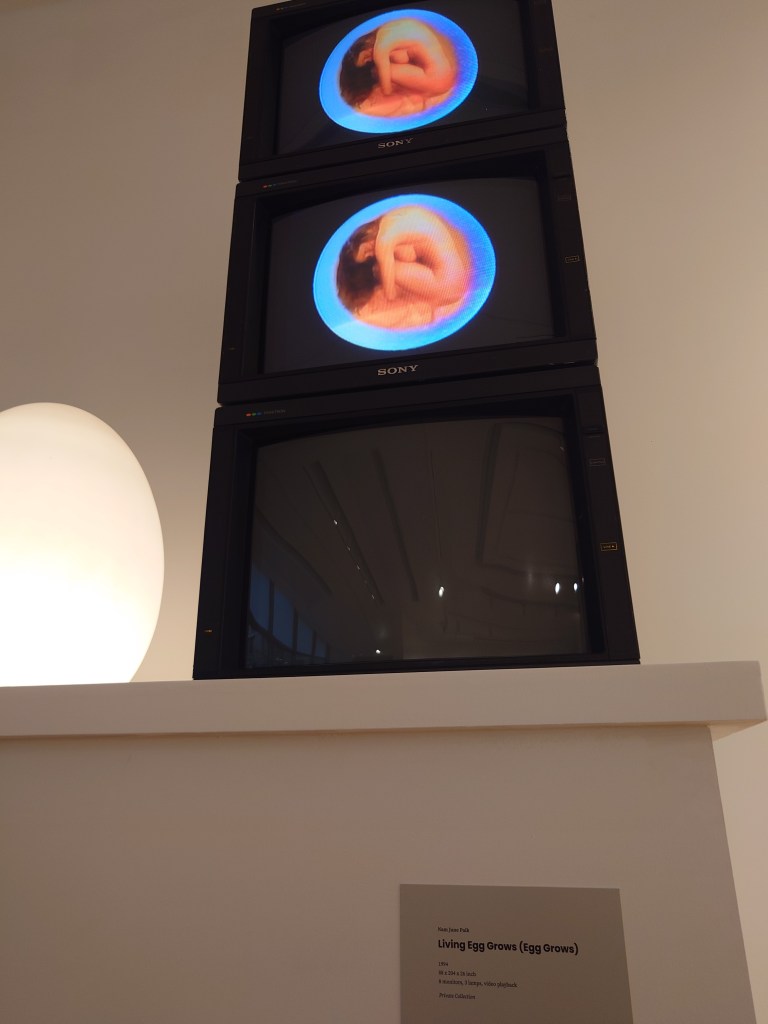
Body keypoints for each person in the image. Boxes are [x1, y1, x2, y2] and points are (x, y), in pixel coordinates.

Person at [336, 205, 471, 329]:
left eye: (367, 250)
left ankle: (422, 310)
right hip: (453, 278)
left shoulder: (384, 239)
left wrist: (383, 294)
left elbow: (390, 294)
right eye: (369, 257)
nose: (373, 253)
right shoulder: (392, 217)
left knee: (379, 270)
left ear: (365, 232)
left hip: (449, 285)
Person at [338, 18, 458, 118]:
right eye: (368, 62)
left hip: (439, 80)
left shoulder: (381, 47)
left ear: (363, 46)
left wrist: (378, 91)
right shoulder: (388, 29)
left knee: (379, 73)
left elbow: (386, 89)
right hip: (441, 75)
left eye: (366, 58)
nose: (371, 60)